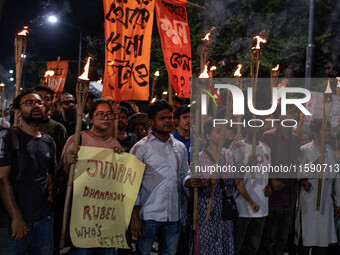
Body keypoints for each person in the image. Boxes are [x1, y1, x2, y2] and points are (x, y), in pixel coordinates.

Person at [129, 99, 196, 255]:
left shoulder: (179, 147)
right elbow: (132, 184)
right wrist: (135, 216)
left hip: (173, 214)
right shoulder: (140, 148)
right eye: (162, 118)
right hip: (148, 214)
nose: (168, 121)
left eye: (170, 117)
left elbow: (183, 174)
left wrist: (190, 181)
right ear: (152, 121)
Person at [60, 99, 123, 255]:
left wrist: (121, 159)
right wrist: (68, 163)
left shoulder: (115, 144)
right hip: (82, 214)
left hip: (107, 214)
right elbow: (63, 176)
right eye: (100, 114)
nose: (106, 118)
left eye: (109, 114)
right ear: (91, 118)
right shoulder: (77, 140)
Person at [0, 88, 57, 254]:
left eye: (39, 102)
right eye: (29, 103)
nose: (37, 106)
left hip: (44, 219)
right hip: (14, 221)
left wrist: (50, 190)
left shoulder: (49, 141)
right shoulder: (7, 137)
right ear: (17, 111)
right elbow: (2, 179)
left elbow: (48, 172)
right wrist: (16, 216)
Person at [181, 120, 234, 255]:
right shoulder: (199, 159)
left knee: (224, 243)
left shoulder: (229, 154)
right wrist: (206, 182)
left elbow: (235, 181)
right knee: (206, 245)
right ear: (208, 136)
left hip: (223, 210)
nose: (222, 135)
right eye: (218, 131)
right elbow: (191, 186)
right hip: (205, 210)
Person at [259, 105, 300, 255]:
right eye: (291, 112)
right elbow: (261, 162)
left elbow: (297, 163)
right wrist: (272, 178)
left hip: (290, 194)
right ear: (282, 116)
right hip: (273, 194)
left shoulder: (295, 138)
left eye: (296, 112)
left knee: (284, 236)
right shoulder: (268, 136)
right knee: (270, 235)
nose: (294, 115)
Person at [295, 119, 340, 255]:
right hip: (309, 201)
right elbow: (298, 173)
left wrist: (338, 202)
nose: (327, 132)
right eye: (324, 129)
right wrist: (314, 163)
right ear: (314, 132)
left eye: (328, 129)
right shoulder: (304, 149)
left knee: (322, 240)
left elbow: (336, 176)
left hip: (325, 202)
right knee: (307, 238)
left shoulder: (329, 150)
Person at [231, 114, 271, 255]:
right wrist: (247, 166)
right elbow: (234, 178)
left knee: (253, 247)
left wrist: (269, 187)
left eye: (261, 125)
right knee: (237, 244)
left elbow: (266, 174)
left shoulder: (267, 148)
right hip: (243, 207)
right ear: (246, 126)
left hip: (262, 207)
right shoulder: (236, 148)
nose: (259, 129)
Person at [34, 86, 68, 161]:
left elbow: (61, 156)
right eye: (39, 98)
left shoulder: (59, 128)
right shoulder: (24, 125)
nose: (42, 101)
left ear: (52, 104)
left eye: (47, 99)